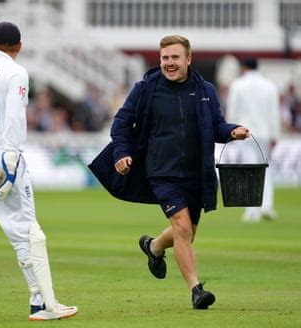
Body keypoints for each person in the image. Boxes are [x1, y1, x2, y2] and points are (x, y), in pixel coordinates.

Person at [89, 35, 250, 309]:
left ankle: (153, 246)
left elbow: (216, 125)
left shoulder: (205, 90)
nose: (169, 63)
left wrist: (232, 132)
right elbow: (121, 124)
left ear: (188, 59)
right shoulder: (146, 88)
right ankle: (196, 290)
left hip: (197, 174)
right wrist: (122, 153)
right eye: (165, 58)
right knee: (183, 227)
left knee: (187, 234)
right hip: (161, 172)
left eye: (175, 57)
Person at [0, 21, 77, 322]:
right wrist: (9, 161)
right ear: (18, 47)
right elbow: (14, 119)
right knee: (25, 231)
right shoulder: (16, 71)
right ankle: (42, 303)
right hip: (1, 155)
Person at [226, 58, 281, 222]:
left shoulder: (238, 85)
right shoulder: (270, 85)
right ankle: (266, 206)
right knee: (265, 169)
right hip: (264, 133)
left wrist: (230, 131)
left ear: (244, 67)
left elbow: (233, 110)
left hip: (244, 132)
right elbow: (274, 112)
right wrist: (275, 135)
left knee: (248, 170)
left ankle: (252, 210)